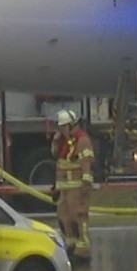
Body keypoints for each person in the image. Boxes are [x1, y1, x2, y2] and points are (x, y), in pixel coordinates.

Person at [50, 109, 94, 258]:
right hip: (64, 188)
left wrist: (86, 185)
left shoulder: (82, 141)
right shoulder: (64, 141)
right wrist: (55, 140)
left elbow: (86, 162)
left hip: (77, 186)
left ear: (71, 125)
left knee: (79, 215)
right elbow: (56, 156)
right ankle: (71, 243)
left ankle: (83, 246)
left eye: (63, 127)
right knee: (64, 216)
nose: (61, 130)